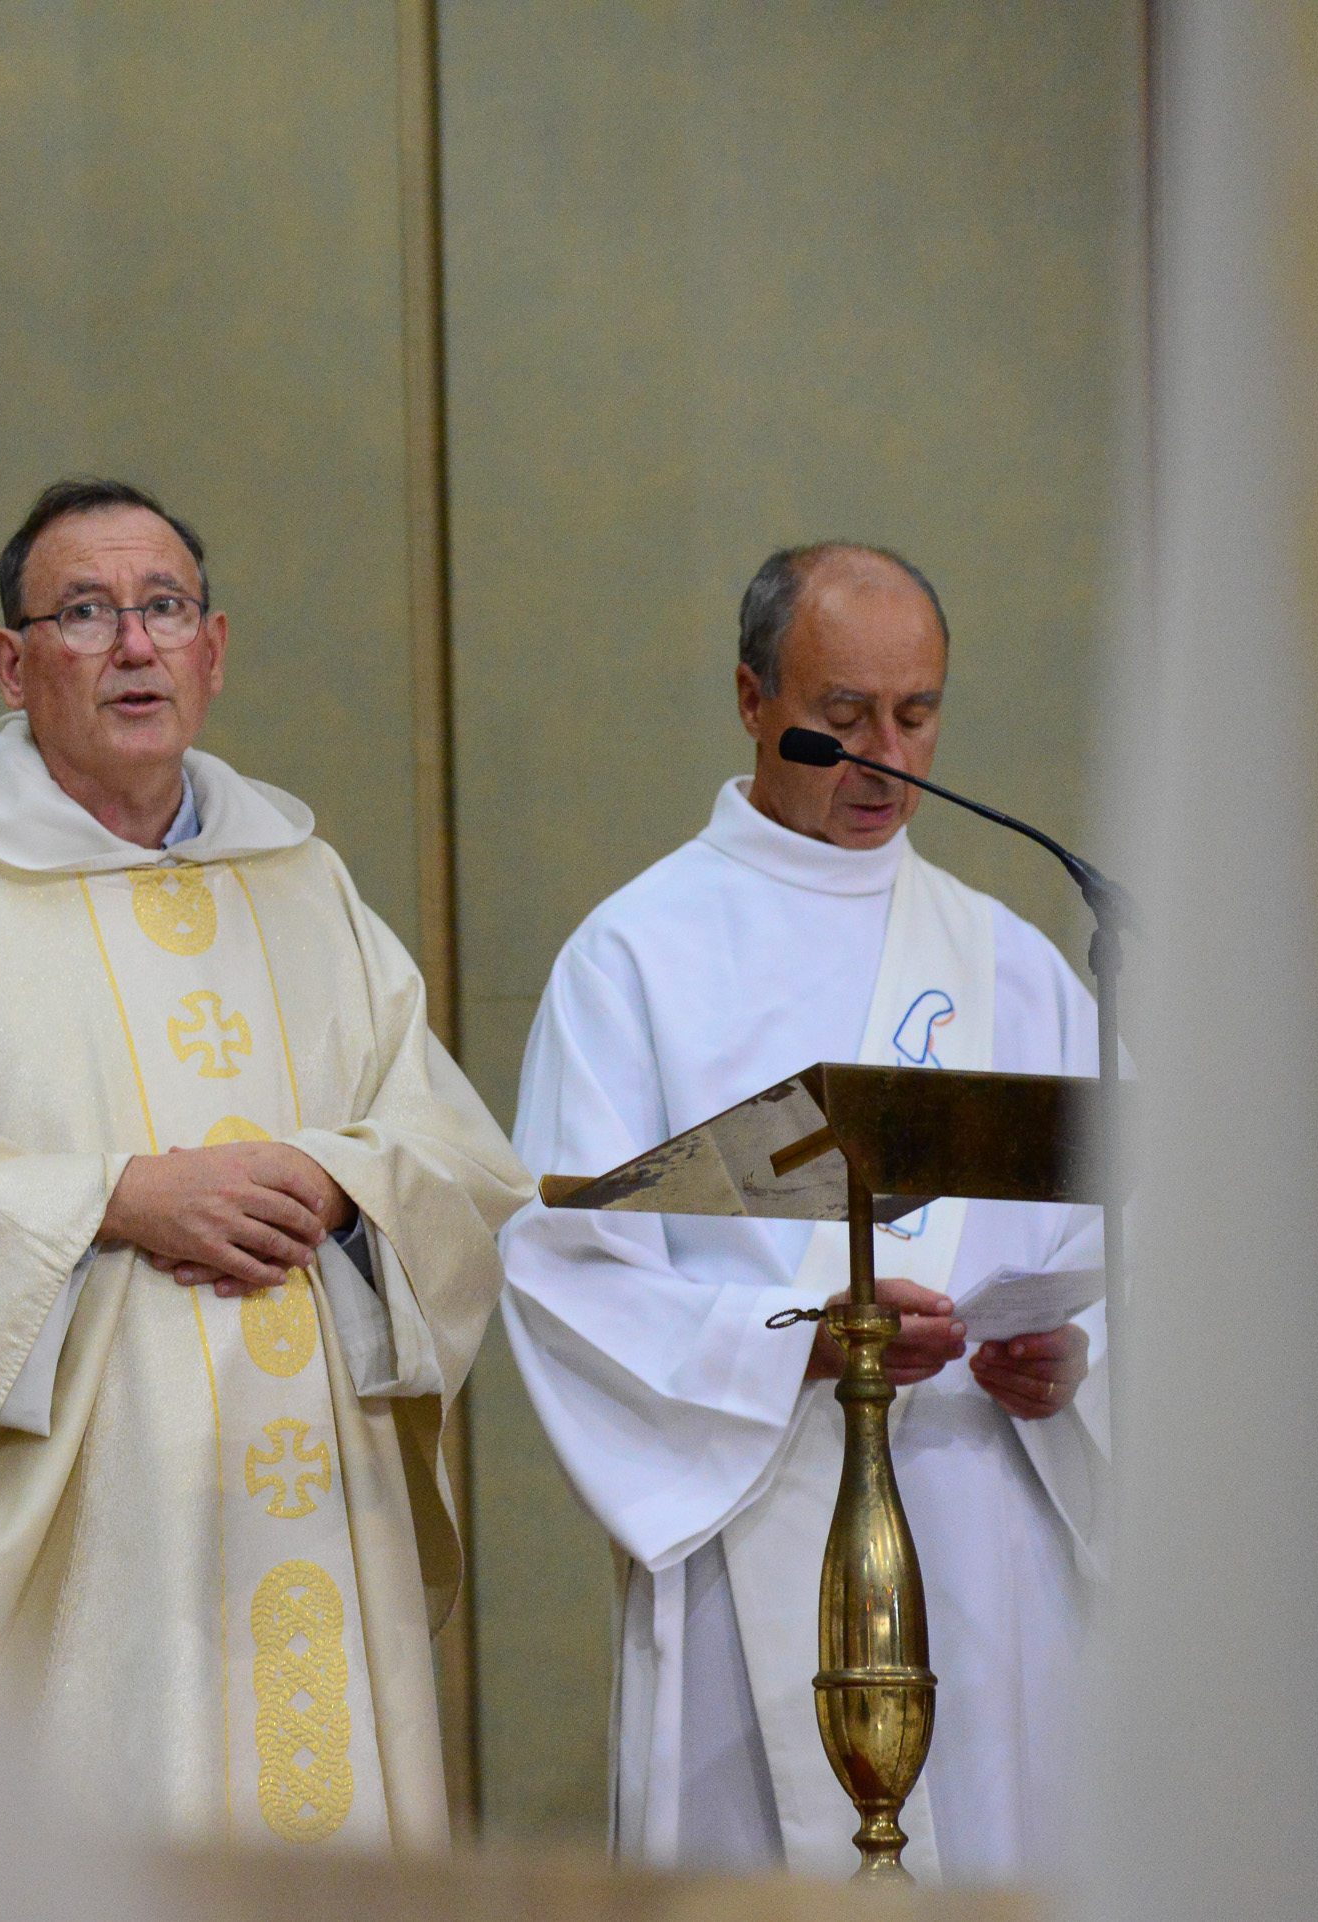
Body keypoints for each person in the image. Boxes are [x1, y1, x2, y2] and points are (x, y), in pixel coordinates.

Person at [0, 478, 531, 1849]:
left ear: (213, 650)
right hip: (103, 1521)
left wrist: (343, 1183)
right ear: (13, 665)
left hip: (309, 1491)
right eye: (85, 612)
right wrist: (113, 1198)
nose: (132, 644)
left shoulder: (301, 878)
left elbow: (457, 1152)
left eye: (163, 608)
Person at [499, 543, 1107, 1883]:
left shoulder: (1014, 963)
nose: (886, 759)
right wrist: (798, 1342)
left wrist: (1073, 1362)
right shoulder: (638, 955)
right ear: (751, 697)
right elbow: (567, 1262)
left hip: (990, 1536)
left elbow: (1118, 1250)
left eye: (917, 714)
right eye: (844, 718)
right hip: (762, 1517)